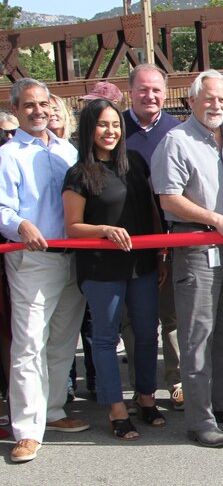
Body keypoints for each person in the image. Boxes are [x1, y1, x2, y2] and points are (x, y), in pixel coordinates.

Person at [151, 70, 223, 448]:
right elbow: (169, 199)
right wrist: (216, 220)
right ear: (191, 101)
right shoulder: (176, 141)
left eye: (222, 100)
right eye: (208, 98)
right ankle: (200, 419)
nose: (216, 105)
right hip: (196, 248)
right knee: (198, 337)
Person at [61, 98, 166, 440]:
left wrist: (161, 252)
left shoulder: (134, 161)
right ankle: (116, 408)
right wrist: (104, 230)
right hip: (101, 268)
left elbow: (150, 210)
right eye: (103, 125)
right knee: (106, 338)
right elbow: (72, 226)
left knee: (147, 332)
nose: (111, 131)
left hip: (143, 263)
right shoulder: (78, 174)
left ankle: (147, 398)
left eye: (115, 125)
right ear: (89, 129)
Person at [0, 78, 86, 463]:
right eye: (29, 105)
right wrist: (21, 225)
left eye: (43, 105)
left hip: (74, 257)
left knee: (63, 339)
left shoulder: (67, 149)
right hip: (33, 259)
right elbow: (2, 209)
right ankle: (26, 430)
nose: (38, 112)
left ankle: (51, 412)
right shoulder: (8, 155)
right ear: (15, 110)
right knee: (29, 344)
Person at [123, 63, 184, 411]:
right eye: (143, 89)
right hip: (127, 240)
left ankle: (176, 382)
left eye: (156, 90)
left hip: (171, 238)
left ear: (166, 92)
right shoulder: (114, 127)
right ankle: (140, 386)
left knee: (173, 317)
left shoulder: (176, 131)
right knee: (133, 320)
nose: (150, 96)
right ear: (130, 91)